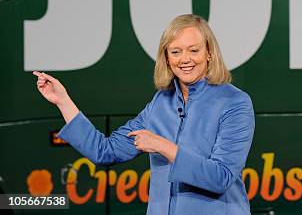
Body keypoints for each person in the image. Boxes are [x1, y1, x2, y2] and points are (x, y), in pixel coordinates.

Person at [34, 14, 255, 215]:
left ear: (209, 53)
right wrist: (63, 101)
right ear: (167, 59)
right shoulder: (160, 103)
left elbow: (221, 177)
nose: (185, 59)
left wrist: (163, 146)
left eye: (194, 50)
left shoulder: (235, 103)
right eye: (176, 52)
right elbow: (105, 151)